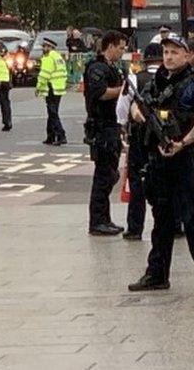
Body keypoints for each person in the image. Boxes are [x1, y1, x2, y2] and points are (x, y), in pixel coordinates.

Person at [127, 34, 194, 293]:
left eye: (174, 52)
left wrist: (182, 142)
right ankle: (157, 274)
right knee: (162, 219)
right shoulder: (155, 82)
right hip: (158, 160)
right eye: (166, 52)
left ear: (187, 55)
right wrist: (142, 117)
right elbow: (137, 108)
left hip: (185, 158)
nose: (168, 57)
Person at [82, 30, 128, 236]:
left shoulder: (111, 68)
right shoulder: (97, 68)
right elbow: (99, 93)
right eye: (120, 47)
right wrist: (123, 89)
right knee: (104, 175)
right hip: (101, 127)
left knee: (109, 173)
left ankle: (104, 219)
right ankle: (97, 221)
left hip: (111, 125)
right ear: (110, 46)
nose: (122, 51)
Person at [116, 42, 163, 241]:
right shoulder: (170, 78)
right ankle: (172, 225)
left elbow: (121, 107)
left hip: (140, 136)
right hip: (164, 137)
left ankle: (135, 228)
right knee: (165, 181)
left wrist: (123, 127)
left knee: (137, 182)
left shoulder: (135, 79)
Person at [36, 38, 68, 145]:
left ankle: (61, 135)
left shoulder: (48, 58)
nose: (44, 48)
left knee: (53, 113)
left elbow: (44, 74)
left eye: (46, 46)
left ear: (51, 47)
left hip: (51, 88)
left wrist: (38, 87)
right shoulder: (58, 57)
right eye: (43, 46)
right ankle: (50, 136)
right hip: (58, 89)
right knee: (52, 113)